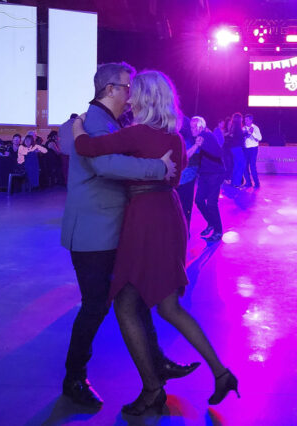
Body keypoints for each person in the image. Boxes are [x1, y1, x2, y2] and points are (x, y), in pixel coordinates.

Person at [73, 70, 236, 415]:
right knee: (168, 306)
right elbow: (174, 178)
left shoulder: (137, 133)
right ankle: (220, 374)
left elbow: (87, 147)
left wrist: (75, 124)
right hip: (168, 215)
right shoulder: (174, 137)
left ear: (145, 98)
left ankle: (152, 389)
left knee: (127, 303)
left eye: (134, 92)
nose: (129, 97)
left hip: (144, 219)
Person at [60, 62, 192, 410]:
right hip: (92, 233)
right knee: (95, 307)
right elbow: (102, 165)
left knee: (131, 297)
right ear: (110, 90)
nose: (132, 93)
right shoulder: (91, 123)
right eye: (127, 87)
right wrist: (159, 168)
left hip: (112, 229)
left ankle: (156, 362)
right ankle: (74, 377)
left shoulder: (107, 123)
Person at [191, 116, 225, 243]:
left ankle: (218, 230)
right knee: (199, 201)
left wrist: (203, 144)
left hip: (215, 174)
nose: (192, 129)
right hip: (205, 174)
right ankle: (211, 223)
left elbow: (218, 153)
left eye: (194, 126)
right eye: (191, 126)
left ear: (200, 127)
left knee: (211, 203)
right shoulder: (199, 138)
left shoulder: (207, 136)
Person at [241, 114, 262, 189]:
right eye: (245, 120)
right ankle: (248, 182)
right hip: (246, 149)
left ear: (251, 120)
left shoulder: (255, 128)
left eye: (247, 120)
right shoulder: (243, 128)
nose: (245, 121)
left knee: (252, 166)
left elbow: (259, 138)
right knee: (244, 166)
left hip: (253, 149)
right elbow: (242, 138)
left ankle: (257, 183)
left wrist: (252, 133)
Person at [225, 113, 246, 187]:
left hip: (233, 148)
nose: (242, 119)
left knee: (237, 165)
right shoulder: (237, 126)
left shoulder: (233, 126)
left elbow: (234, 136)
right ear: (239, 119)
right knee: (241, 164)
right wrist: (246, 133)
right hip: (237, 148)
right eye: (242, 118)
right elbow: (239, 136)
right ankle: (237, 183)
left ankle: (234, 182)